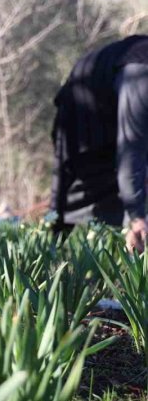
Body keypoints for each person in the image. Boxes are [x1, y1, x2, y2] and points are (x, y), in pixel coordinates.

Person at [51, 34, 148, 251]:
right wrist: (137, 217)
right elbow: (131, 148)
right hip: (82, 114)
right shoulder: (141, 74)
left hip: (113, 110)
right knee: (67, 198)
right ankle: (53, 251)